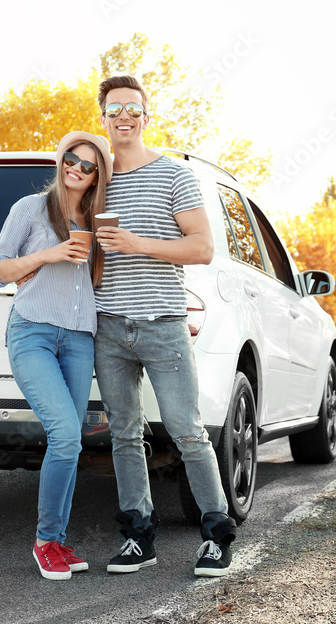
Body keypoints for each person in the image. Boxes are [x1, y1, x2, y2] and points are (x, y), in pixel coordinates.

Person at [93, 75, 237, 578]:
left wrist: (139, 244)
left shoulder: (174, 176)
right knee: (125, 435)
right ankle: (138, 536)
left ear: (146, 116)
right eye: (114, 110)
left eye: (132, 108)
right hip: (108, 326)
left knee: (187, 431)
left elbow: (200, 248)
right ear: (103, 118)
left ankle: (217, 536)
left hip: (163, 326)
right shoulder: (96, 177)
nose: (124, 117)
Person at [0, 131, 113, 580]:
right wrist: (49, 254)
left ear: (99, 175)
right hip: (32, 333)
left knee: (72, 441)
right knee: (64, 433)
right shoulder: (31, 208)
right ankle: (45, 542)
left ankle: (57, 540)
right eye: (71, 159)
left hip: (79, 340)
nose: (76, 168)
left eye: (88, 165)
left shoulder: (100, 219)